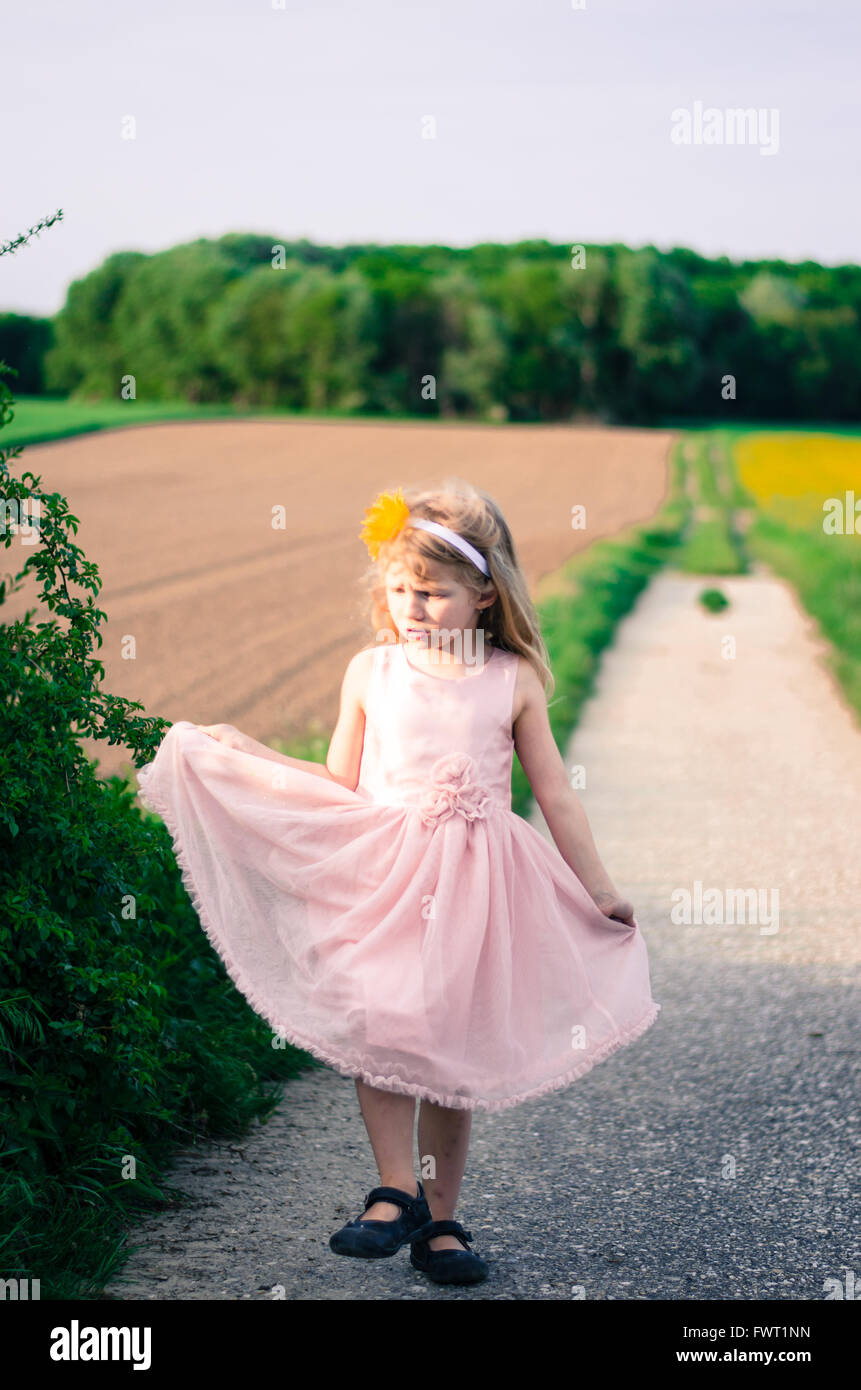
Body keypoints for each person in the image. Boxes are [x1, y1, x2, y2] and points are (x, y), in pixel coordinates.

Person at [136, 478, 661, 1287]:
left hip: (477, 886)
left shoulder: (509, 678)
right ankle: (393, 1188)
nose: (411, 605)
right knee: (378, 1026)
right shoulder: (371, 672)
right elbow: (337, 781)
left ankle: (441, 1222)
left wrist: (596, 889)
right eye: (398, 588)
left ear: (483, 595)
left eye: (433, 591)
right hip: (384, 876)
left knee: (450, 1050)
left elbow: (554, 790)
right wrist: (243, 759)